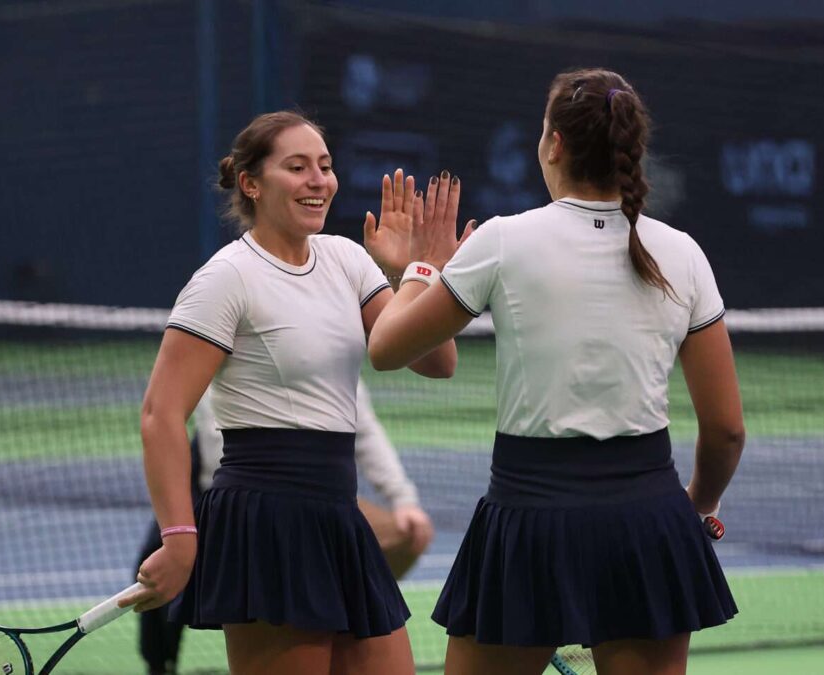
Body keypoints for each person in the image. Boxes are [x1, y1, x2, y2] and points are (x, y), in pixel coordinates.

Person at [366, 68, 745, 675]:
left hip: (527, 526)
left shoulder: (501, 241)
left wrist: (419, 268)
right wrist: (695, 509)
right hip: (648, 525)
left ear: (553, 145)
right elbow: (726, 430)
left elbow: (386, 349)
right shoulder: (684, 252)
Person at [121, 110, 457, 675]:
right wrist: (180, 538)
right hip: (266, 522)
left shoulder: (349, 260)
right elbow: (161, 414)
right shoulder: (225, 278)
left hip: (338, 515)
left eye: (324, 167)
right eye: (297, 167)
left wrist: (415, 273)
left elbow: (435, 361)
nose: (318, 180)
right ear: (251, 183)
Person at [133, 382, 435, 675]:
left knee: (406, 536)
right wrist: (218, 522)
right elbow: (189, 430)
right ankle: (160, 664)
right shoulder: (230, 352)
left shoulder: (339, 351)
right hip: (230, 492)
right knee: (156, 566)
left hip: (325, 499)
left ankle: (334, 612)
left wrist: (403, 499)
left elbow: (368, 429)